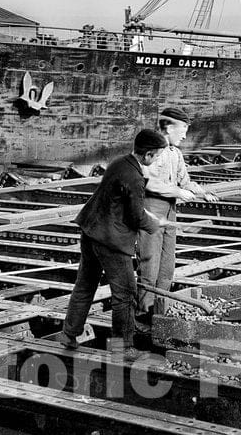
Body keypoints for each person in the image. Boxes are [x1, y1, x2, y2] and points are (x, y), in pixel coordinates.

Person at [56, 128, 168, 361]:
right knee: (125, 293)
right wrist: (154, 224)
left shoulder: (119, 163)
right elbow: (136, 216)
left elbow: (122, 202)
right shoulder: (135, 177)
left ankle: (69, 334)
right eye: (156, 156)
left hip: (91, 232)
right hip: (110, 241)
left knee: (85, 286)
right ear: (147, 155)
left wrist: (146, 215)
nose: (156, 160)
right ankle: (123, 348)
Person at [136, 107, 219, 324]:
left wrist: (203, 193)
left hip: (170, 212)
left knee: (167, 267)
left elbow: (185, 181)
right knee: (149, 265)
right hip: (151, 210)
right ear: (168, 127)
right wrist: (179, 192)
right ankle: (142, 315)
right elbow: (149, 182)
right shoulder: (152, 150)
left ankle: (159, 311)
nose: (184, 135)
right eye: (182, 129)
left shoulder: (175, 153)